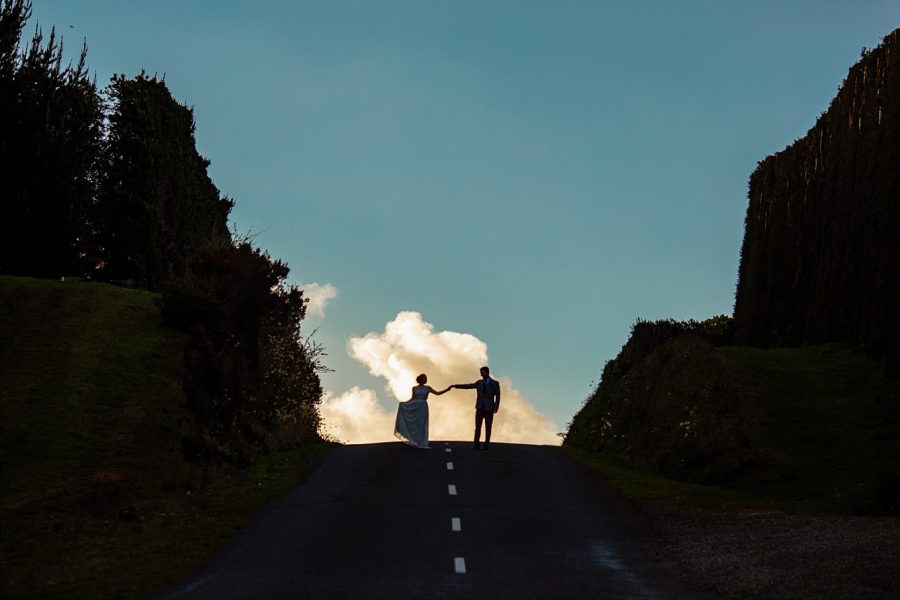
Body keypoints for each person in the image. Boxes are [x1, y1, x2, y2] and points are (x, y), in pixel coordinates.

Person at [394, 373, 450, 449]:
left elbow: (437, 393)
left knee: (422, 424)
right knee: (415, 424)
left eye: (425, 378)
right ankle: (414, 441)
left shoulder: (428, 388)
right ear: (420, 379)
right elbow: (413, 398)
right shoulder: (414, 388)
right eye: (424, 378)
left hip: (423, 406)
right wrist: (405, 403)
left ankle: (422, 442)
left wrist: (447, 390)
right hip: (415, 406)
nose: (425, 379)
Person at [451, 366, 500, 450]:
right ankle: (476, 444)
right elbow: (468, 386)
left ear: (486, 372)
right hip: (479, 407)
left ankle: (486, 444)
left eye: (482, 372)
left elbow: (498, 396)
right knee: (477, 427)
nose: (480, 374)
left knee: (488, 427)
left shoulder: (495, 383)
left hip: (489, 408)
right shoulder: (479, 383)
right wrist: (456, 386)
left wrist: (496, 407)